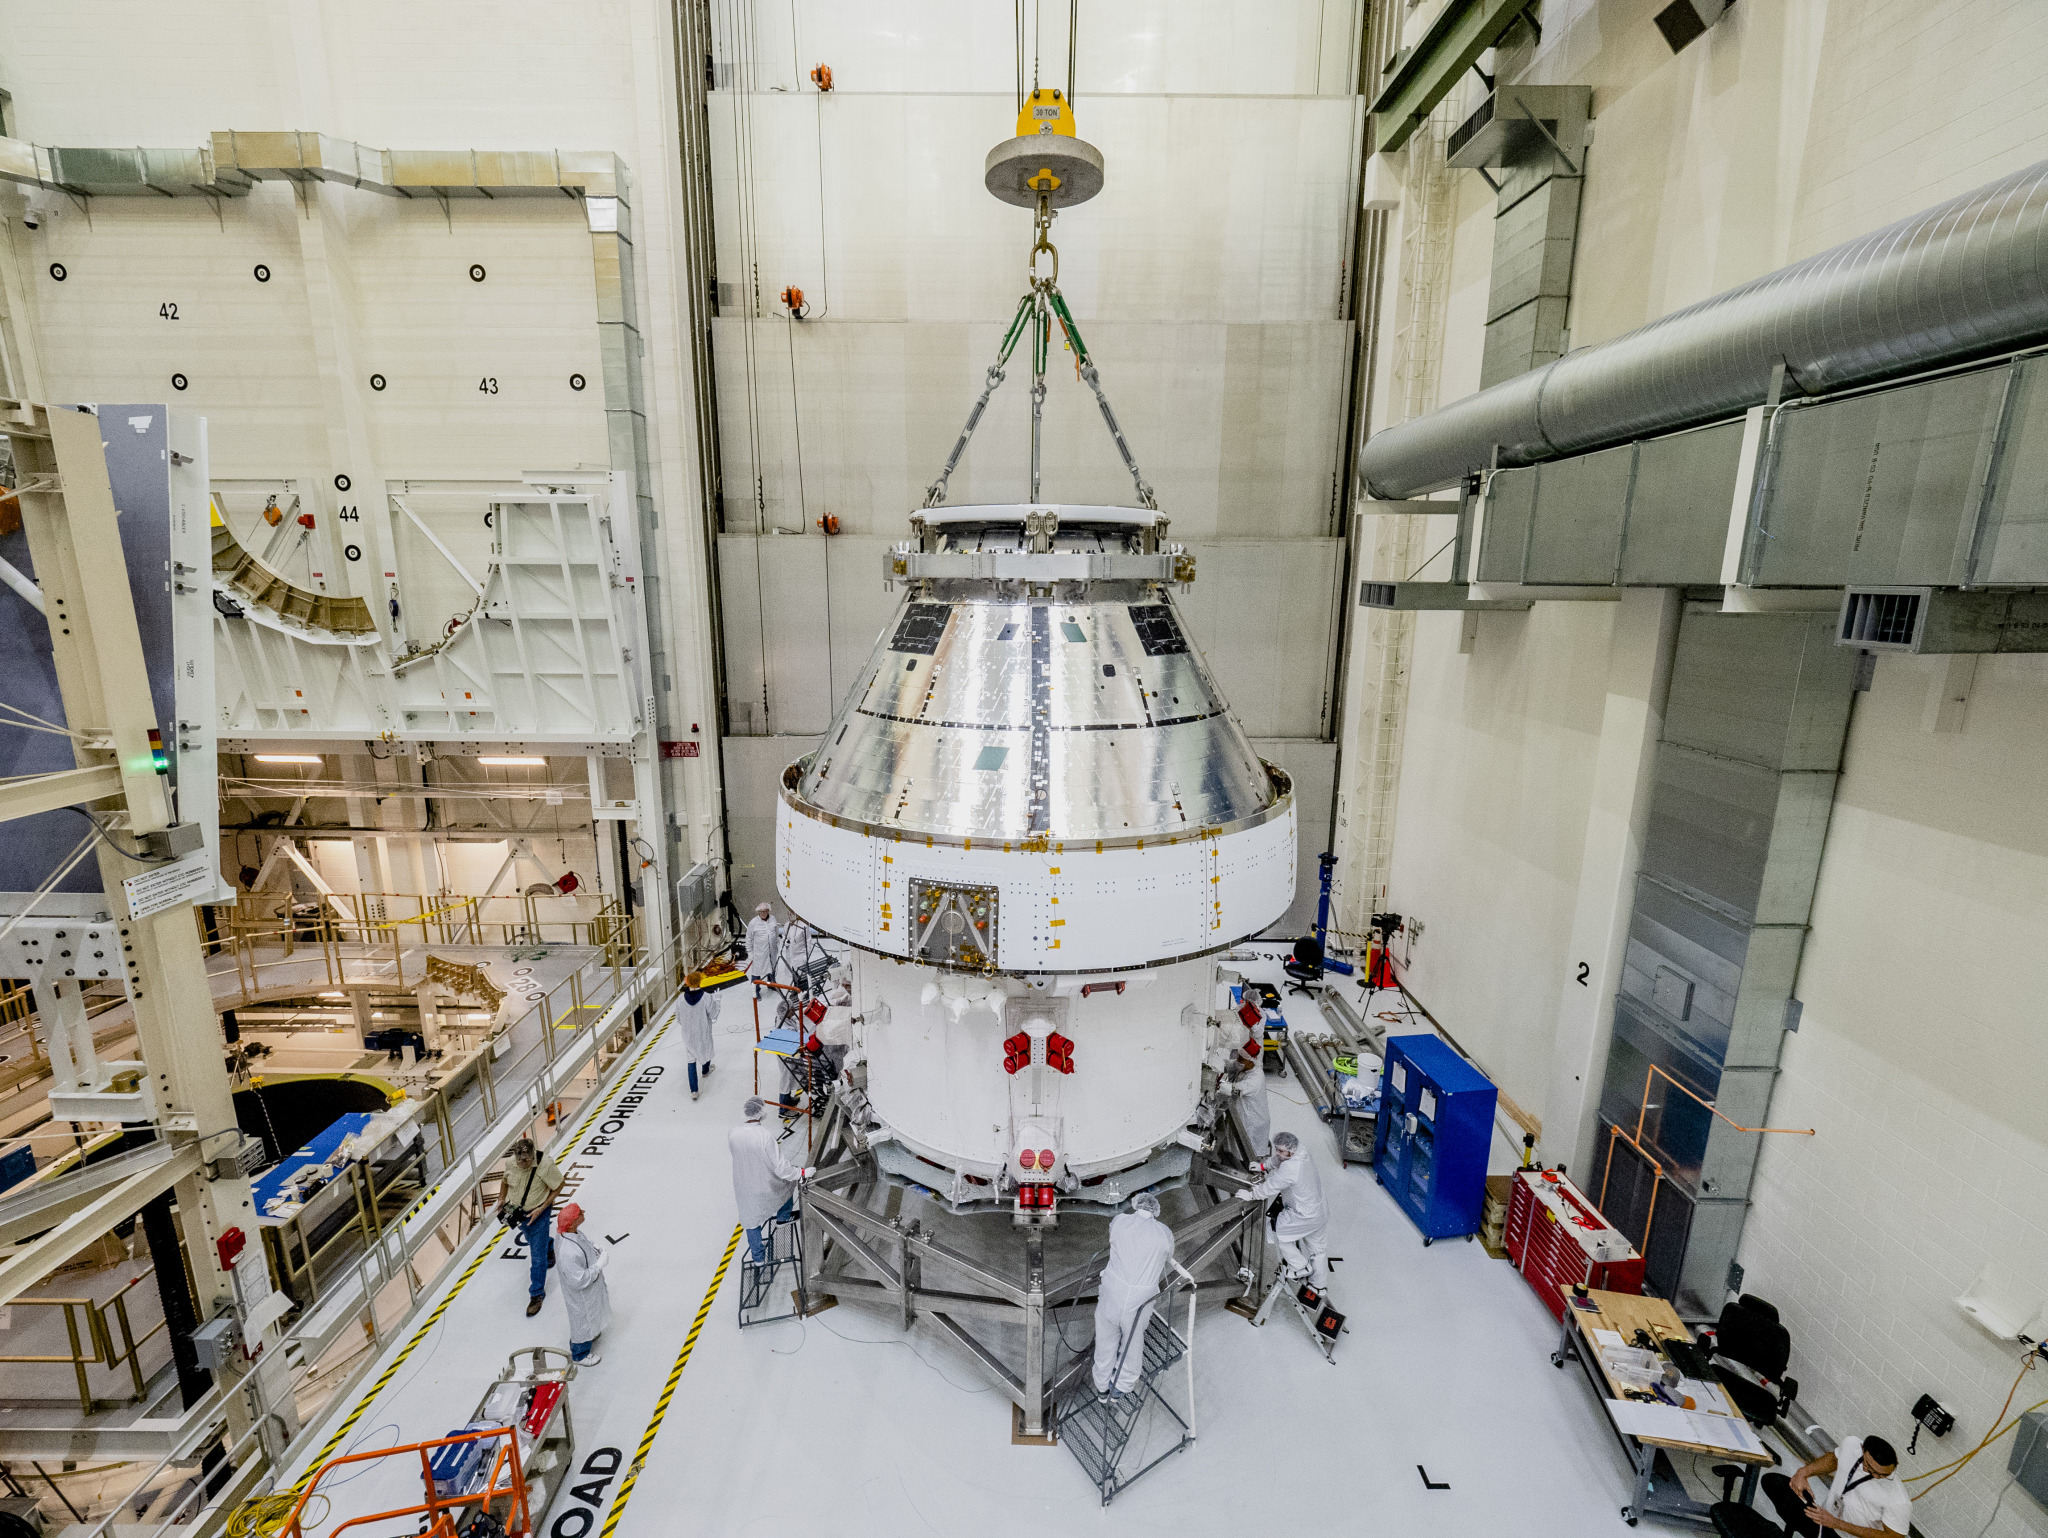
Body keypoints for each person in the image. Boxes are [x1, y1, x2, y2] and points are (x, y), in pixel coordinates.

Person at [1092, 1193, 1176, 1400]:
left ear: (1136, 1205)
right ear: (1155, 1210)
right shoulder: (1163, 1233)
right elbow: (1169, 1254)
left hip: (1112, 1291)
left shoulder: (1120, 1222)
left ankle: (1101, 1385)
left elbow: (1113, 1236)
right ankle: (1121, 1385)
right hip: (1140, 1299)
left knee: (1105, 1339)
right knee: (1132, 1342)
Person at [1759, 1434, 1909, 1537]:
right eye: (1869, 1466)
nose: (1875, 1476)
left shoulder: (1899, 1500)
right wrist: (1803, 1473)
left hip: (1843, 1534)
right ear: (1862, 1449)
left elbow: (1893, 1537)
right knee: (1773, 1482)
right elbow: (1834, 1459)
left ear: (1896, 1463)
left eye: (1883, 1474)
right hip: (1823, 1520)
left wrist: (1837, 1523)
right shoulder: (1852, 1445)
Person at [1235, 1130, 1330, 1292]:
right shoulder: (1301, 1151)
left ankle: (1300, 1266)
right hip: (1320, 1211)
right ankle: (1319, 1286)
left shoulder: (1291, 1168)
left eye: (1280, 1150)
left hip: (1304, 1214)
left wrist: (1251, 1195)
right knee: (1318, 1250)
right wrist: (1264, 1166)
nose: (1277, 1153)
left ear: (1291, 1150)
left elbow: (1271, 1186)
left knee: (1279, 1234)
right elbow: (1280, 1159)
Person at [730, 1097, 813, 1263]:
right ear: (760, 1113)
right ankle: (783, 1217)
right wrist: (802, 1172)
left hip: (742, 1184)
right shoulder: (765, 1136)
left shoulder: (733, 1133)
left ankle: (758, 1258)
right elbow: (782, 1169)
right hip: (764, 1185)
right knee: (786, 1184)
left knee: (750, 1219)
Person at [498, 1137, 563, 1317]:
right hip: (518, 1212)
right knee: (533, 1239)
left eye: (526, 1161)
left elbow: (559, 1186)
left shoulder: (545, 1166)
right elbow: (504, 1181)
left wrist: (542, 1207)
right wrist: (501, 1199)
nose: (522, 1164)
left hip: (539, 1213)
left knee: (537, 1257)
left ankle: (536, 1293)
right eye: (520, 1161)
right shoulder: (511, 1163)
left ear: (532, 1155)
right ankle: (548, 1246)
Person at [554, 1203, 610, 1366]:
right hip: (582, 1295)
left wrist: (595, 1249)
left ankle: (589, 1335)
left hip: (591, 1288)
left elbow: (583, 1242)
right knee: (583, 1321)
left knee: (590, 1317)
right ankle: (580, 1354)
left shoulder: (570, 1233)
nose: (583, 1212)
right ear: (571, 1223)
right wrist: (599, 1266)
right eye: (579, 1213)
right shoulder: (568, 1253)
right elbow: (579, 1280)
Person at [1224, 1035, 1271, 1158]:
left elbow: (1235, 1089)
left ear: (1250, 1061)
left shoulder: (1256, 1078)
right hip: (1245, 1114)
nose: (1238, 1060)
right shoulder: (1246, 1066)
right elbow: (1231, 1065)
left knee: (1248, 1152)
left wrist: (1218, 1085)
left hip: (1252, 1121)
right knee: (1237, 1147)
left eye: (1241, 1059)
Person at [677, 971, 719, 1099]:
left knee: (691, 1059)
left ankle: (694, 1091)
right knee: (705, 1049)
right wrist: (718, 1001)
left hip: (688, 1034)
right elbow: (714, 1015)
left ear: (687, 982)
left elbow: (678, 1019)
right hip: (703, 1031)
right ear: (700, 981)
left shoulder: (680, 998)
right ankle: (705, 1070)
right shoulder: (706, 997)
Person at [745, 903, 782, 999]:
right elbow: (748, 938)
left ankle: (771, 985)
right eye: (761, 912)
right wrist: (749, 952)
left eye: (765, 911)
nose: (763, 913)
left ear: (768, 911)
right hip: (759, 953)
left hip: (772, 951)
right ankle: (756, 991)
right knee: (757, 973)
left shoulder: (773, 919)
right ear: (758, 912)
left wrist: (777, 944)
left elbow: (776, 932)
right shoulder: (753, 923)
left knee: (772, 968)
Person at [779, 915, 814, 986]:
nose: (790, 915)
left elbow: (808, 941)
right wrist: (785, 941)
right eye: (788, 913)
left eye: (792, 913)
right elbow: (784, 937)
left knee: (802, 976)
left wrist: (806, 955)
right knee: (794, 974)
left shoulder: (803, 926)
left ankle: (805, 992)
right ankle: (797, 991)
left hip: (801, 955)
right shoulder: (786, 925)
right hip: (791, 955)